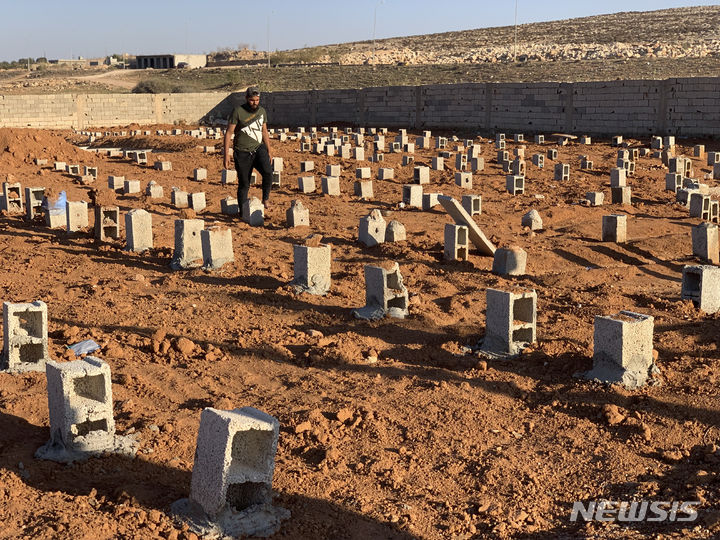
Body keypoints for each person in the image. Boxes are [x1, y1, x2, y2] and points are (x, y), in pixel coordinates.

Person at [223, 86, 273, 210]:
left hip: (258, 148)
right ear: (246, 99)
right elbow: (229, 133)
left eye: (257, 100)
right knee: (244, 184)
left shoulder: (262, 111)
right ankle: (243, 211)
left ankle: (265, 199)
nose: (255, 103)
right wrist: (226, 154)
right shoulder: (238, 111)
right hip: (242, 152)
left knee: (268, 173)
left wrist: (269, 150)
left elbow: (264, 131)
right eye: (252, 100)